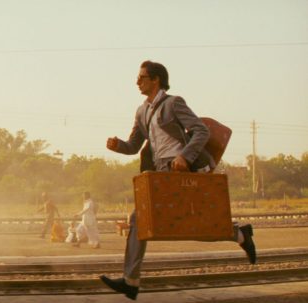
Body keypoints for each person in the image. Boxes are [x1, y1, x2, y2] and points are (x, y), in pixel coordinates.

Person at [100, 61, 256, 300]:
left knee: (189, 224)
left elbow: (201, 131)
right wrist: (118, 145)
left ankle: (240, 235)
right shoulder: (141, 111)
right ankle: (131, 281)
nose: (137, 81)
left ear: (156, 80)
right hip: (161, 171)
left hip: (184, 168)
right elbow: (134, 146)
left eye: (142, 77)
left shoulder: (173, 103)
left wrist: (185, 156)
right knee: (143, 220)